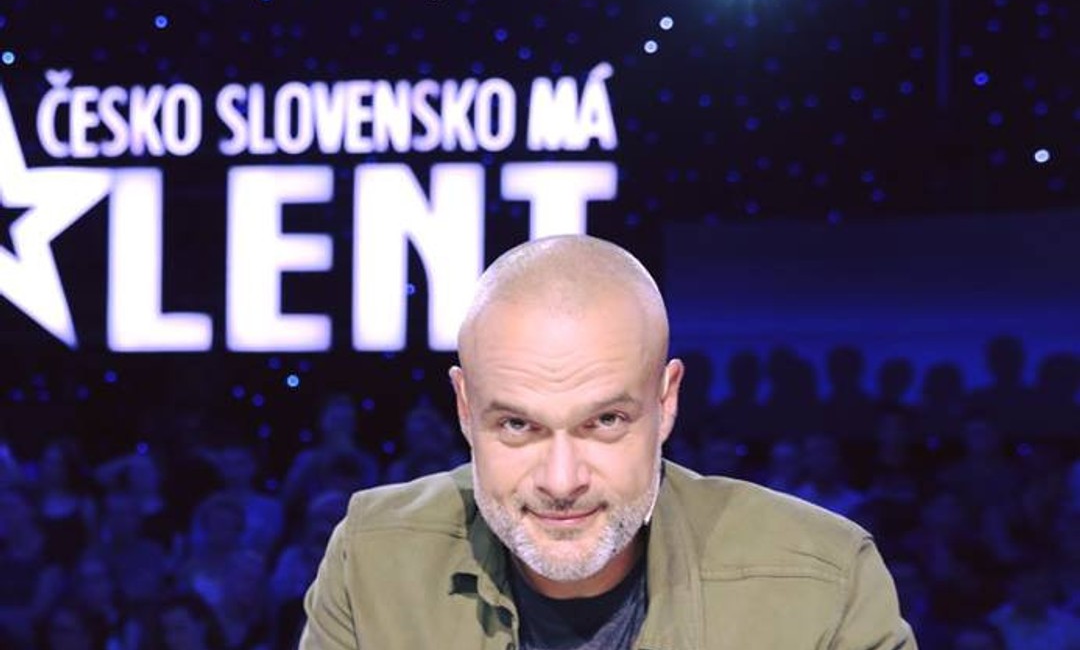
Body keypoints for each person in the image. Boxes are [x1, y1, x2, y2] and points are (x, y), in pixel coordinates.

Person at [300, 235, 916, 648]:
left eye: (605, 422)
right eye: (517, 426)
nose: (561, 481)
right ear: (465, 408)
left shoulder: (821, 582)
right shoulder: (372, 561)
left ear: (666, 402)